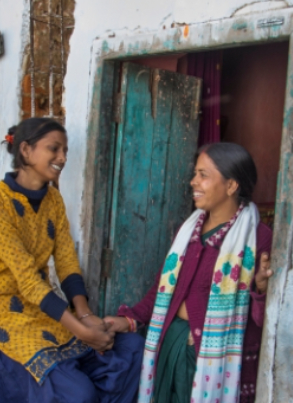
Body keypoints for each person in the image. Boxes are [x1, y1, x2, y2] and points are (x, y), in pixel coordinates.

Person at [0, 118, 143, 403]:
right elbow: (28, 280)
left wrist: (85, 314)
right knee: (77, 392)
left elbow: (66, 261)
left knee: (132, 348)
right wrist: (82, 331)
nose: (62, 158)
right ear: (26, 150)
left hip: (42, 309)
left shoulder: (53, 200)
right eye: (54, 149)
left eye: (65, 150)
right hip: (1, 315)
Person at [104, 143, 273, 403]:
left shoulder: (257, 240)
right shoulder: (188, 232)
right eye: (195, 174)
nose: (194, 182)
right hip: (172, 345)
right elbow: (163, 289)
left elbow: (265, 323)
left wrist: (261, 290)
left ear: (231, 186)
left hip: (212, 359)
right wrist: (130, 320)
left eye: (204, 175)